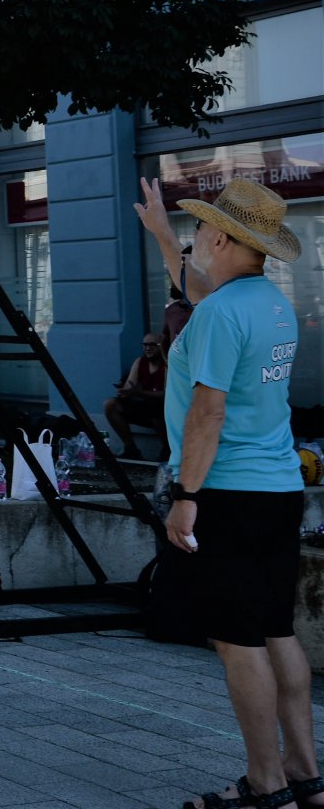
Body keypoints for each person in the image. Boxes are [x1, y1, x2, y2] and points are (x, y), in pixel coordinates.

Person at [140, 179, 316, 809]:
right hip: (277, 488)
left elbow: (206, 414)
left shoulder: (219, 313)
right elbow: (200, 292)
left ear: (217, 237)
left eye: (195, 236)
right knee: (276, 630)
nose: (194, 246)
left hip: (226, 493)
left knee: (237, 640)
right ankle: (305, 775)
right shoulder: (267, 301)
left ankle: (266, 786)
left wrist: (186, 495)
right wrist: (164, 237)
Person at [104, 332, 168, 461]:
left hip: (164, 412)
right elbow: (129, 387)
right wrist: (124, 392)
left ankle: (167, 449)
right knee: (110, 404)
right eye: (145, 345)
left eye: (152, 345)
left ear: (161, 347)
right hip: (145, 410)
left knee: (156, 405)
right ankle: (131, 448)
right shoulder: (140, 362)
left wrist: (139, 393)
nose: (148, 348)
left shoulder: (166, 365)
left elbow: (167, 394)